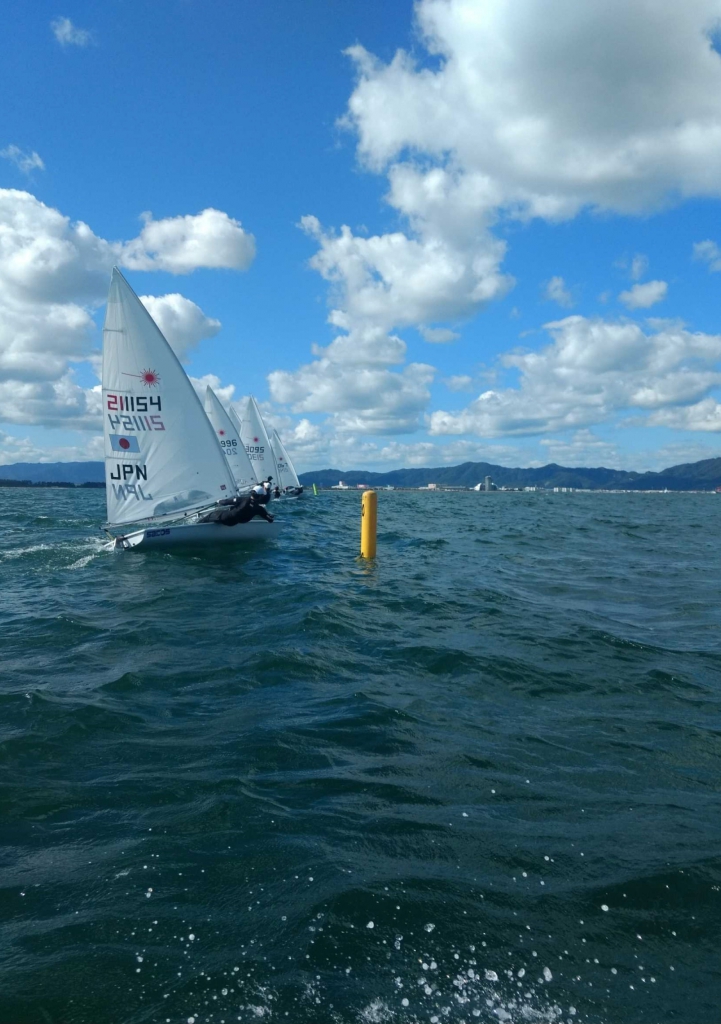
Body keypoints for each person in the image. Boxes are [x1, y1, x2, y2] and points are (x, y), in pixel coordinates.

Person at [198, 492, 274, 526]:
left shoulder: (243, 499)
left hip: (226, 518)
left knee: (211, 515)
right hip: (233, 523)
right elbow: (269, 519)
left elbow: (225, 502)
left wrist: (219, 501)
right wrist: (270, 517)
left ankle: (197, 525)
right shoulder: (259, 508)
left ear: (252, 493)